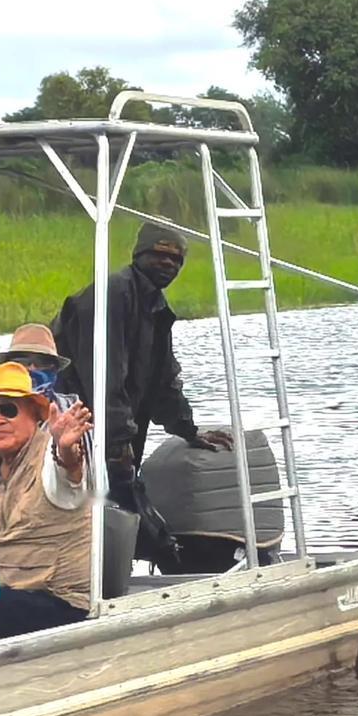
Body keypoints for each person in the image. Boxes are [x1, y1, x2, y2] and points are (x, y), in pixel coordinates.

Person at [53, 222, 232, 568]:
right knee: (122, 506)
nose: (168, 264)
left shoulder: (155, 307)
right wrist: (119, 440)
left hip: (111, 432)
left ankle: (142, 568)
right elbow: (104, 375)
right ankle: (173, 568)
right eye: (159, 255)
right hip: (76, 428)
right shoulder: (112, 296)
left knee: (117, 508)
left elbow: (164, 380)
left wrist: (188, 430)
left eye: (176, 260)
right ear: (139, 256)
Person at [0, 363, 94, 646]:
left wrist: (66, 449)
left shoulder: (50, 457)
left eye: (8, 410)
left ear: (33, 415)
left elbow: (68, 476)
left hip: (61, 602)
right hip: (4, 595)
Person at [0, 324, 83, 477]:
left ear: (55, 369)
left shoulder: (74, 415)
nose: (31, 368)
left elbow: (84, 480)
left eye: (42, 362)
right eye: (22, 361)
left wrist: (67, 454)